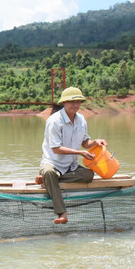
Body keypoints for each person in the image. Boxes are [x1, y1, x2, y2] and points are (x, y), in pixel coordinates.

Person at [37, 87, 107, 224]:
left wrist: (95, 142)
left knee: (89, 175)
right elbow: (56, 149)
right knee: (50, 172)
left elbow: (85, 143)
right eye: (71, 101)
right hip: (53, 163)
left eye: (78, 102)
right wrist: (80, 153)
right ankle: (62, 213)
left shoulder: (81, 120)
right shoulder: (54, 121)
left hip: (71, 166)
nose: (75, 105)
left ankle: (48, 180)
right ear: (64, 102)